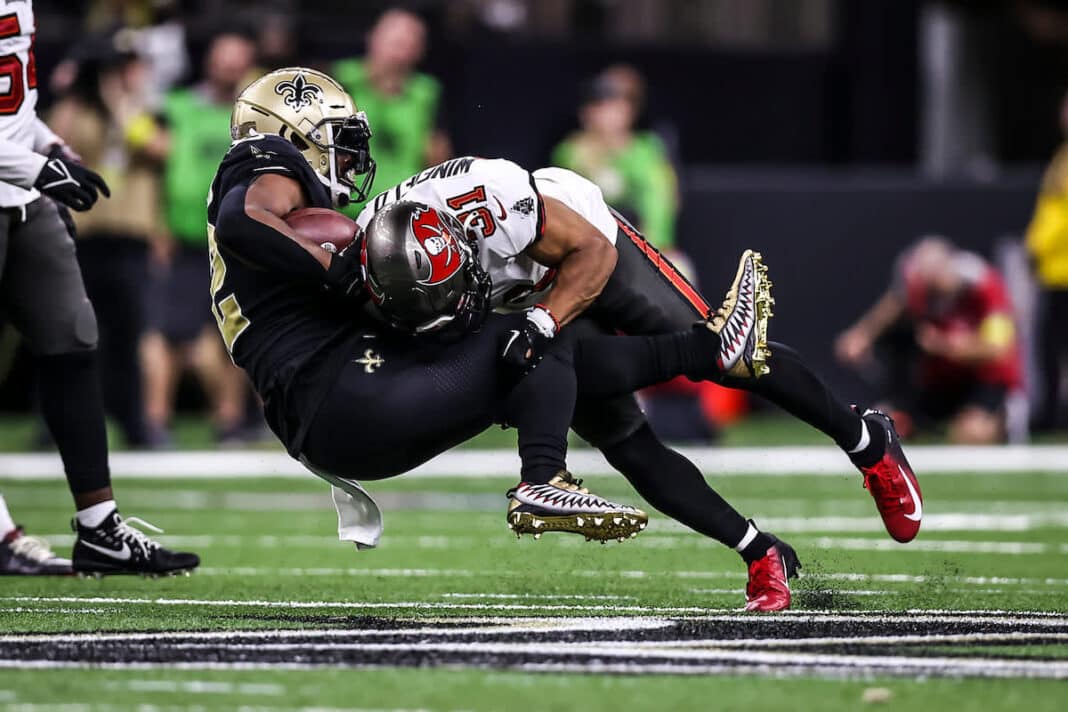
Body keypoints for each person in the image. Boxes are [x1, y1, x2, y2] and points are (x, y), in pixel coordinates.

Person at [212, 68, 803, 610]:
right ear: (286, 134)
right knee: (535, 335)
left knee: (565, 367)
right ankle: (546, 474)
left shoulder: (295, 208)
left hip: (340, 405)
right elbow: (246, 219)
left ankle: (756, 544)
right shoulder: (260, 164)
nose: (348, 153)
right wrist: (333, 269)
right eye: (333, 136)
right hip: (344, 392)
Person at [355, 166, 925, 614]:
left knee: (727, 355)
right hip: (519, 302)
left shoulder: (494, 204)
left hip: (587, 251)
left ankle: (866, 440)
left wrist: (542, 323)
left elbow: (592, 255)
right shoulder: (366, 263)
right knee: (625, 441)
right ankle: (759, 551)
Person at [0, 1, 198, 575]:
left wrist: (50, 147)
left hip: (22, 192)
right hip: (20, 180)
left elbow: (14, 105)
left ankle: (100, 527)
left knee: (74, 341)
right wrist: (37, 167)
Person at [47, 34, 169, 448]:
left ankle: (135, 425)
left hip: (131, 240)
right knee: (72, 333)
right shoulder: (76, 110)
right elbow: (55, 146)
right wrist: (73, 89)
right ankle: (58, 424)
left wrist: (119, 99)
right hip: (83, 238)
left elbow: (157, 148)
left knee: (127, 337)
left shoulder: (144, 111)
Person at [143, 31, 257, 445]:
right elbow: (144, 143)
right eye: (223, 58)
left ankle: (230, 421)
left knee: (238, 332)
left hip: (236, 241)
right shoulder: (179, 107)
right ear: (209, 59)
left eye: (238, 59)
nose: (229, 66)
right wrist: (157, 225)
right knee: (169, 333)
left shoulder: (254, 116)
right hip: (186, 239)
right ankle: (155, 420)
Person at [836, 237, 1025, 444]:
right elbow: (896, 301)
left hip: (983, 380)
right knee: (880, 426)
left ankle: (1002, 421)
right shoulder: (922, 289)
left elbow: (998, 349)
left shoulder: (985, 287)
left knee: (971, 435)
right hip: (940, 380)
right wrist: (862, 335)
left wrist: (945, 346)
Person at [332, 8, 451, 214]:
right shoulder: (338, 80)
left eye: (408, 44)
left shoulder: (427, 94)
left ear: (420, 51)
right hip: (340, 212)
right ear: (372, 38)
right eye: (394, 42)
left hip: (402, 215)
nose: (399, 53)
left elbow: (438, 161)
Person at [1025, 92, 1068, 431]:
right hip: (1053, 272)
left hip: (1064, 270)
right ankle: (1051, 415)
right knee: (1048, 351)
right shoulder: (1061, 156)